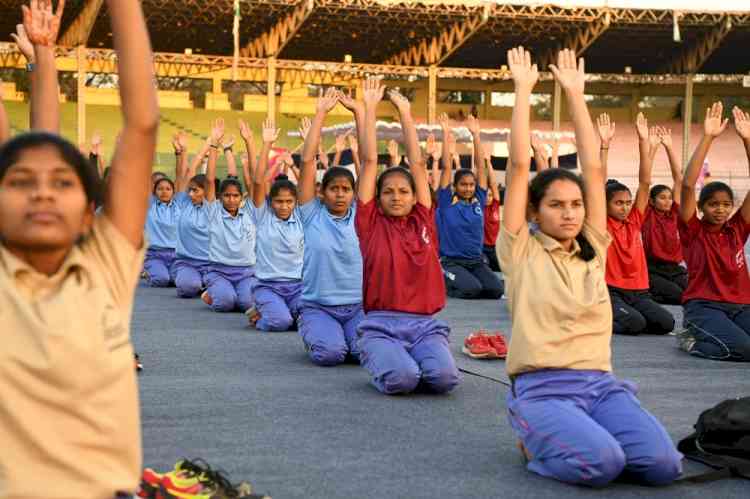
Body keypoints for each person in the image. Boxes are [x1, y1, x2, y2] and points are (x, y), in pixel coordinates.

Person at [500, 46, 681, 487]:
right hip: (543, 388)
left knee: (664, 467)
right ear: (534, 212)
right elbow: (521, 165)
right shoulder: (521, 250)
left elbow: (594, 166)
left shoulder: (593, 248)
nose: (569, 213)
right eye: (556, 205)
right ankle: (533, 440)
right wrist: (524, 90)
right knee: (603, 465)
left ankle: (582, 433)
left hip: (600, 385)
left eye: (576, 204)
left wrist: (576, 94)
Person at [0, 1, 159, 497]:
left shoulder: (105, 265)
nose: (43, 193)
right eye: (21, 183)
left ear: (91, 208)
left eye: (62, 184)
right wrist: (41, 60)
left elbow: (141, 125)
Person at [355, 79, 459, 395]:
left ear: (416, 197)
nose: (396, 197)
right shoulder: (370, 222)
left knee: (443, 380)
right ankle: (375, 352)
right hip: (381, 325)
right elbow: (370, 161)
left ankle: (414, 356)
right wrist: (371, 109)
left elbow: (417, 163)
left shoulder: (424, 219)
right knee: (403, 380)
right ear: (378, 197)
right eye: (387, 192)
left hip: (425, 325)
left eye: (403, 192)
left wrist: (404, 112)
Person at [676, 103, 750, 361]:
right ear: (701, 207)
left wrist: (748, 139)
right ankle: (691, 339)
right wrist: (708, 136)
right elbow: (686, 185)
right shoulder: (693, 229)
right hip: (704, 306)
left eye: (726, 205)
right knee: (743, 350)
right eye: (713, 204)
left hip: (742, 307)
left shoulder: (738, 228)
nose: (720, 210)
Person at [296, 88, 364, 366]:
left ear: (353, 193)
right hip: (319, 307)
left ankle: (345, 335)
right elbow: (307, 161)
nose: (339, 194)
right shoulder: (312, 214)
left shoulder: (362, 215)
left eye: (345, 189)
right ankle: (311, 327)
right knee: (331, 355)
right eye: (333, 189)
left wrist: (360, 113)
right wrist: (320, 114)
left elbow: (370, 163)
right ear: (321, 192)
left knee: (362, 354)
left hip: (358, 307)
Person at [601, 113, 674, 335]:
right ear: (604, 204)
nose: (624, 207)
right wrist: (605, 145)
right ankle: (593, 318)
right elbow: (596, 181)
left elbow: (645, 182)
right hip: (611, 291)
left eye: (627, 203)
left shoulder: (634, 220)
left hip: (639, 291)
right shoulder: (601, 222)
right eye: (618, 203)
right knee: (635, 324)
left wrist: (644, 142)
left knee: (666, 323)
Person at [436, 112, 504, 299]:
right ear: (455, 186)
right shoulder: (446, 203)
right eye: (463, 185)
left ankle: (467, 280)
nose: (467, 188)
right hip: (451, 262)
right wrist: (445, 135)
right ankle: (442, 278)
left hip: (476, 262)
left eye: (471, 185)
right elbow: (447, 168)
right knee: (471, 290)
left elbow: (480, 168)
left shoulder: (479, 201)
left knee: (496, 290)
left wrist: (476, 135)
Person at [245, 118, 305, 332]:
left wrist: (304, 153)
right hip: (268, 286)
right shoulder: (263, 216)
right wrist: (267, 143)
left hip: (298, 287)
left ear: (296, 202)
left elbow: (308, 186)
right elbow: (259, 181)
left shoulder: (301, 217)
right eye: (279, 201)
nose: (284, 206)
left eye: (289, 201)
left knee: (309, 321)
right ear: (271, 202)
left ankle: (280, 310)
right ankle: (259, 314)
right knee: (281, 323)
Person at [200, 118, 258, 313]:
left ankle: (231, 292)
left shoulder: (250, 212)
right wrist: (214, 144)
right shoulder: (214, 211)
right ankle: (213, 291)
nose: (231, 199)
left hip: (246, 272)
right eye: (227, 195)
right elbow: (209, 180)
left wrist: (249, 141)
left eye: (235, 196)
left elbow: (256, 180)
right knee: (225, 304)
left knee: (247, 305)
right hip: (219, 271)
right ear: (219, 197)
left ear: (242, 197)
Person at [641, 126, 687, 304]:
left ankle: (657, 290)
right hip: (652, 269)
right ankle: (648, 292)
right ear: (652, 201)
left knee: (695, 293)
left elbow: (679, 179)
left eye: (669, 197)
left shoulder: (674, 213)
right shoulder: (647, 213)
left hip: (675, 269)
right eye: (662, 198)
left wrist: (669, 146)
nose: (668, 201)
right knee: (679, 296)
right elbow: (645, 181)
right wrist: (652, 148)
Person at [170, 132, 213, 298]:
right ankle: (200, 284)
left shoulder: (211, 208)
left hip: (211, 264)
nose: (191, 193)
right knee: (188, 288)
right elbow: (187, 174)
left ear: (206, 191)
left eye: (196, 190)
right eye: (190, 189)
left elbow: (208, 179)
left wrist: (211, 146)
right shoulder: (184, 203)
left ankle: (209, 285)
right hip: (187, 262)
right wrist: (185, 150)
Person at [142, 175, 179, 287]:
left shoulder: (180, 206)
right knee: (161, 280)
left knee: (177, 281)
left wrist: (180, 156)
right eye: (160, 189)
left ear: (173, 192)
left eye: (168, 189)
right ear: (154, 192)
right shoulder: (149, 206)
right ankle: (150, 271)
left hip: (176, 255)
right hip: (154, 254)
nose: (164, 192)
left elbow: (180, 176)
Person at [482, 143, 502, 272]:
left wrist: (488, 161)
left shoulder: (495, 205)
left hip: (495, 247)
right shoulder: (478, 208)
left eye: (490, 195)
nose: (488, 197)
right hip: (482, 248)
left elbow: (493, 184)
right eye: (485, 195)